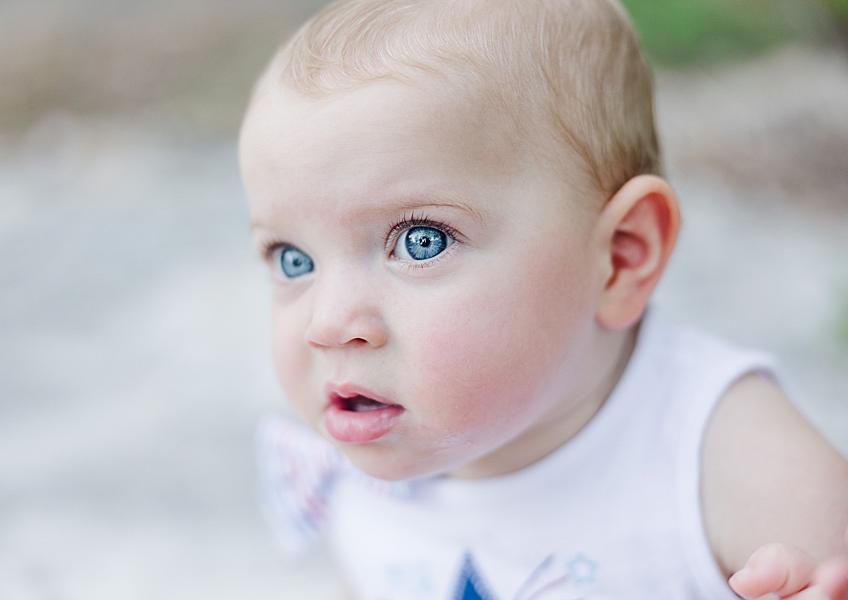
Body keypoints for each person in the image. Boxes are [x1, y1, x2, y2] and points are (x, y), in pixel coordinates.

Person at [238, 0, 848, 598]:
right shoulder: (354, 467)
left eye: (421, 242)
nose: (327, 324)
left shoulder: (732, 461)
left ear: (621, 258)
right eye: (294, 260)